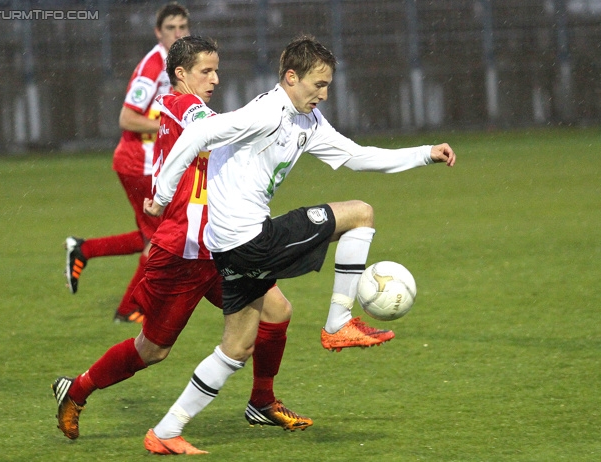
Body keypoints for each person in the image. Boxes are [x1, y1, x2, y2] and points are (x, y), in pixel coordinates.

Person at [144, 35, 456, 453]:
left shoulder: (307, 120)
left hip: (227, 247)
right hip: (249, 238)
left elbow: (356, 156)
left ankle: (165, 432)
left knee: (236, 347)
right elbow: (197, 134)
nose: (324, 95)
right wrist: (162, 196)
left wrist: (424, 154)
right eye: (317, 85)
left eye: (328, 86)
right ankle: (337, 323)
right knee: (360, 214)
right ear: (291, 77)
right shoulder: (267, 113)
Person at [52, 36, 312, 456]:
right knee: (152, 349)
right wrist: (275, 112)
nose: (214, 78)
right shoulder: (176, 105)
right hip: (183, 253)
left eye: (216, 70)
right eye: (205, 71)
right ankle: (77, 389)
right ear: (180, 75)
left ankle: (262, 400)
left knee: (277, 310)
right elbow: (216, 129)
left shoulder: (203, 112)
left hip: (221, 246)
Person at [64, 2, 190, 323]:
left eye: (183, 28)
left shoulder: (174, 63)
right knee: (163, 236)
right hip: (140, 164)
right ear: (158, 33)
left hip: (151, 164)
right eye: (171, 28)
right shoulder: (153, 66)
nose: (178, 33)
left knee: (152, 233)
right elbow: (127, 118)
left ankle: (85, 250)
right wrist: (171, 125)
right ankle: (129, 308)